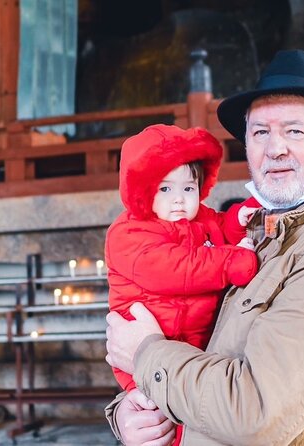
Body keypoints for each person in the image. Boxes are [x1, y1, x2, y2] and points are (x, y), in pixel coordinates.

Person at [104, 49, 304, 445]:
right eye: (260, 132)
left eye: (295, 131)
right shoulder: (264, 229)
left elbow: (255, 413)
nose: (275, 148)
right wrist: (134, 411)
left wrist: (146, 355)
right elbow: (205, 350)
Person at [105, 124, 260, 445]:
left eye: (188, 189)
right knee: (161, 421)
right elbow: (175, 269)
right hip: (147, 348)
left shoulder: (197, 219)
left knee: (193, 417)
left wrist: (238, 218)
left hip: (193, 349)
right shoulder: (129, 233)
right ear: (144, 191)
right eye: (165, 189)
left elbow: (219, 227)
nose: (179, 200)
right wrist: (230, 263)